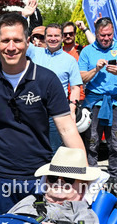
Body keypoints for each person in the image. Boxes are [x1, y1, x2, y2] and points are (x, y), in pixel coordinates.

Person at [0, 13, 85, 214]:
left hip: (38, 176)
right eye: (6, 40)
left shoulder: (47, 80)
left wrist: (82, 173)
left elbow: (67, 129)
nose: (11, 47)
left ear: (27, 42)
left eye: (17, 40)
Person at [78, 17, 117, 177]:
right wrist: (95, 70)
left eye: (109, 35)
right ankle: (91, 178)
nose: (106, 38)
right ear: (96, 34)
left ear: (113, 32)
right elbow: (80, 78)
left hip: (115, 102)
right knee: (92, 142)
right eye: (102, 35)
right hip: (93, 102)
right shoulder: (87, 51)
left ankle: (115, 178)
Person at [33, 24, 84, 152]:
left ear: (62, 38)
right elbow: (19, 39)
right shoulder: (34, 52)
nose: (53, 39)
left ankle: (50, 173)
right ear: (44, 38)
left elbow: (75, 87)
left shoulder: (70, 60)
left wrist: (72, 109)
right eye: (49, 35)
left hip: (56, 114)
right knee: (32, 149)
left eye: (56, 36)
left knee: (53, 151)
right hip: (33, 110)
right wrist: (25, 15)